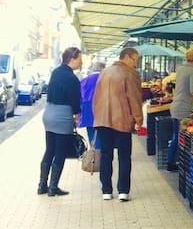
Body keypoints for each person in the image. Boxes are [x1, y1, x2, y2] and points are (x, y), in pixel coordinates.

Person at [93, 47, 143, 201]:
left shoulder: (104, 72)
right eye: (135, 59)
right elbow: (134, 98)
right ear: (127, 57)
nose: (136, 63)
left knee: (106, 155)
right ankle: (123, 191)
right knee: (124, 156)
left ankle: (106, 191)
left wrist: (97, 117)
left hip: (102, 120)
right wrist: (138, 119)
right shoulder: (130, 73)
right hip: (122, 120)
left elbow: (96, 98)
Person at [38, 47, 83, 197]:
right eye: (79, 59)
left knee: (49, 150)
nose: (81, 62)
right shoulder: (72, 79)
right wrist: (77, 116)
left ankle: (42, 186)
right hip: (62, 116)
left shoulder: (55, 72)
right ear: (72, 59)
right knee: (60, 152)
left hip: (48, 113)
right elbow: (75, 102)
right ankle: (53, 188)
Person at [168, 48, 193, 171]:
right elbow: (192, 91)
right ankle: (173, 163)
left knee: (175, 135)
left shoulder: (180, 68)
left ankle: (171, 162)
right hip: (184, 107)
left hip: (176, 105)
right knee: (179, 137)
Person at [79, 60, 105, 148]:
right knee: (102, 137)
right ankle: (99, 157)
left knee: (91, 134)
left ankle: (93, 153)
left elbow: (79, 96)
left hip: (87, 111)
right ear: (102, 69)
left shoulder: (84, 80)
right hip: (102, 112)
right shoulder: (104, 79)